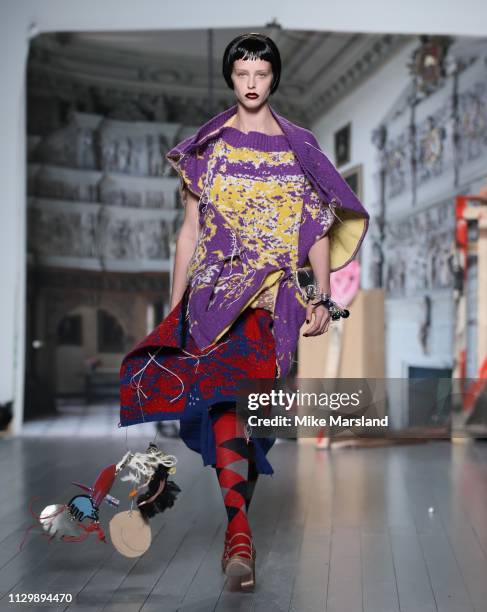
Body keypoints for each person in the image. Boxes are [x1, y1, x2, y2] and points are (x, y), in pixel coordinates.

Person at [119, 32, 369, 590]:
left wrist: (322, 296)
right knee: (225, 402)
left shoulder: (299, 146)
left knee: (257, 423)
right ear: (231, 78)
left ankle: (239, 522)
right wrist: (175, 303)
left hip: (273, 303)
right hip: (212, 298)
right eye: (242, 75)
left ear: (273, 78)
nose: (252, 84)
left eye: (261, 74)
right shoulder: (206, 148)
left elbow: (318, 230)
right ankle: (239, 533)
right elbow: (189, 232)